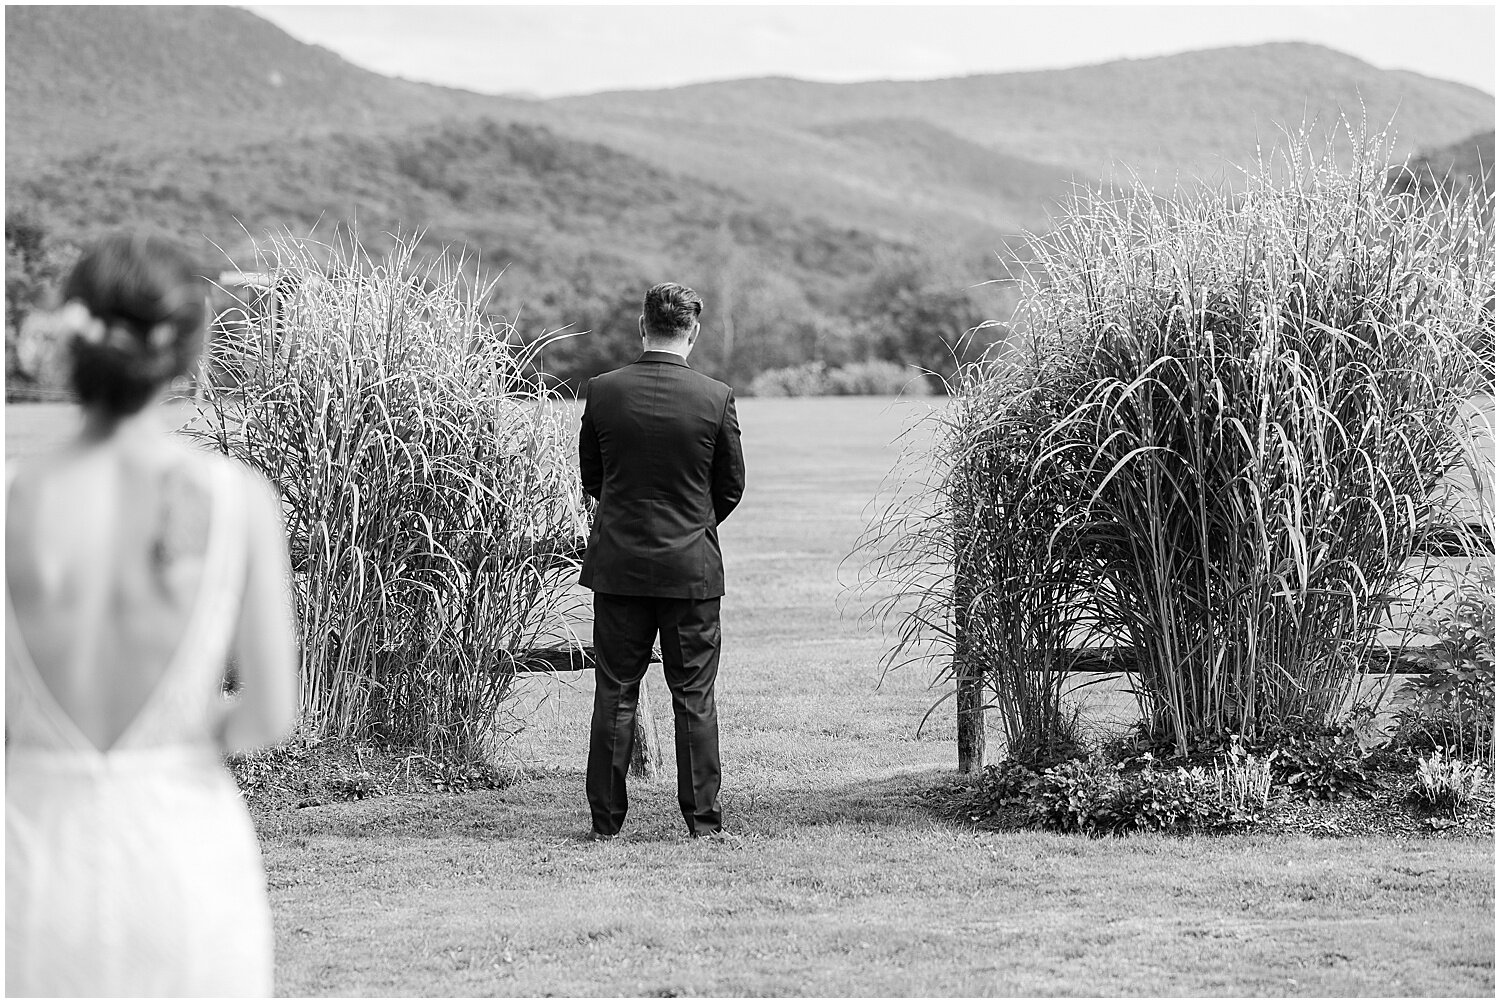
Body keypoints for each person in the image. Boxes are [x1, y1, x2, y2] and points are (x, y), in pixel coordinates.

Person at [5, 233, 299, 995]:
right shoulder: (238, 500)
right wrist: (184, 732)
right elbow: (270, 715)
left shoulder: (10, 499)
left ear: (73, 339)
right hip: (183, 857)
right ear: (184, 351)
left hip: (33, 862)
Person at [578, 281, 746, 840]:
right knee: (693, 696)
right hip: (690, 569)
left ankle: (605, 822)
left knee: (615, 690)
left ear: (641, 327)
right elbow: (731, 486)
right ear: (693, 332)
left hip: (620, 565)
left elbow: (593, 479)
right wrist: (693, 527)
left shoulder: (603, 392)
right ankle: (702, 820)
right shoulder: (715, 397)